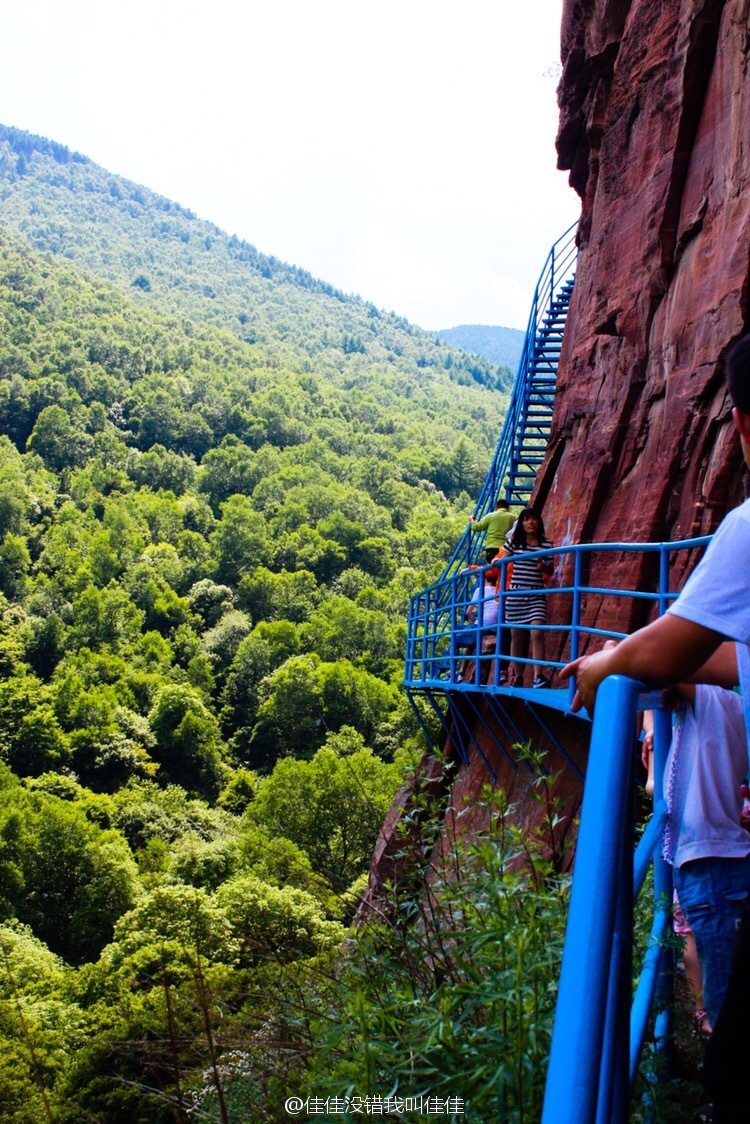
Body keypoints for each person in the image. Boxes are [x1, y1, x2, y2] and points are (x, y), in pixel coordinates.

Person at [560, 331, 750, 1123]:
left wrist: (605, 666)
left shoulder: (745, 531)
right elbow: (725, 664)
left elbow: (674, 644)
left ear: (740, 424)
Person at [647, 681, 750, 1030]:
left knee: (725, 1000)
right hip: (706, 865)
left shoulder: (716, 701)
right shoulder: (698, 713)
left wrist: (610, 656)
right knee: (719, 974)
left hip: (712, 870)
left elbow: (660, 663)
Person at [502, 507, 554, 687]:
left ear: (539, 522)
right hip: (517, 594)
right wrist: (494, 561)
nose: (530, 522)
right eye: (526, 519)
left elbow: (550, 569)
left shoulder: (546, 544)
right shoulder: (515, 543)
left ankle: (539, 676)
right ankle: (517, 676)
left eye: (533, 519)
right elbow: (502, 559)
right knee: (517, 637)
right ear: (521, 524)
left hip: (536, 593)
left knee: (537, 632)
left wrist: (544, 567)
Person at [452, 566, 500, 682]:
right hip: (496, 627)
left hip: (483, 624)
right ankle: (461, 672)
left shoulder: (480, 590)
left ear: (485, 579)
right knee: (471, 641)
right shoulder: (500, 591)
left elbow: (469, 612)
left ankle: (453, 673)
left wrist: (475, 622)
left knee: (455, 640)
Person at [469, 499, 517, 563]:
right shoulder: (513, 517)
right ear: (507, 508)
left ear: (496, 507)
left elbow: (476, 527)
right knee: (504, 569)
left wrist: (471, 520)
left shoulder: (490, 516)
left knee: (491, 569)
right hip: (505, 548)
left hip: (491, 547)